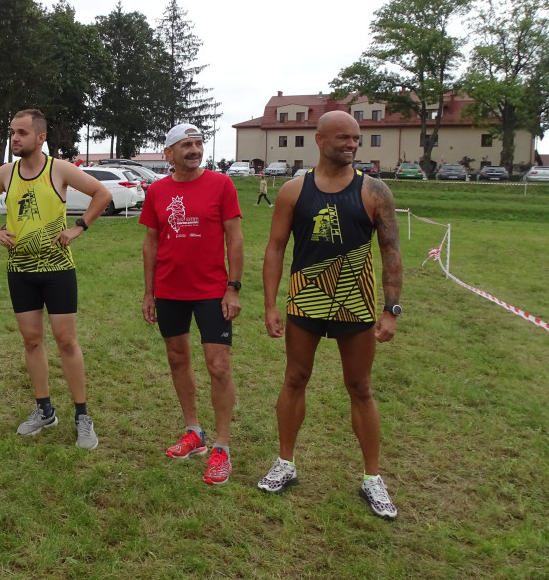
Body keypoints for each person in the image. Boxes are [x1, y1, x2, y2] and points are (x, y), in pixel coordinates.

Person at [258, 110, 403, 521]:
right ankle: (285, 463)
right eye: (343, 137)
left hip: (355, 303)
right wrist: (270, 304)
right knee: (295, 378)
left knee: (360, 386)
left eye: (356, 138)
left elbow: (391, 252)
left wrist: (391, 308)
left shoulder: (375, 191)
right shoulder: (292, 190)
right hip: (305, 301)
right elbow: (275, 247)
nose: (352, 144)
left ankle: (372, 478)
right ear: (319, 140)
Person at [0, 109, 112, 450]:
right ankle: (44, 410)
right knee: (32, 340)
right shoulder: (6, 172)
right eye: (11, 132)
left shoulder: (58, 169)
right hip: (20, 271)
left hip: (58, 269)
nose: (14, 138)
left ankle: (82, 416)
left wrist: (79, 227)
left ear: (40, 137)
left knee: (66, 340)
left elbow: (102, 194)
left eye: (21, 132)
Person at [140, 123, 244, 485]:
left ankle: (222, 447)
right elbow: (151, 243)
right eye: (186, 145)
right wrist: (149, 291)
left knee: (218, 366)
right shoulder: (157, 191)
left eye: (198, 144)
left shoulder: (221, 185)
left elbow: (235, 237)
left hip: (212, 291)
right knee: (177, 358)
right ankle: (194, 432)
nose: (195, 150)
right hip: (170, 290)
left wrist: (233, 288)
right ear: (169, 153)